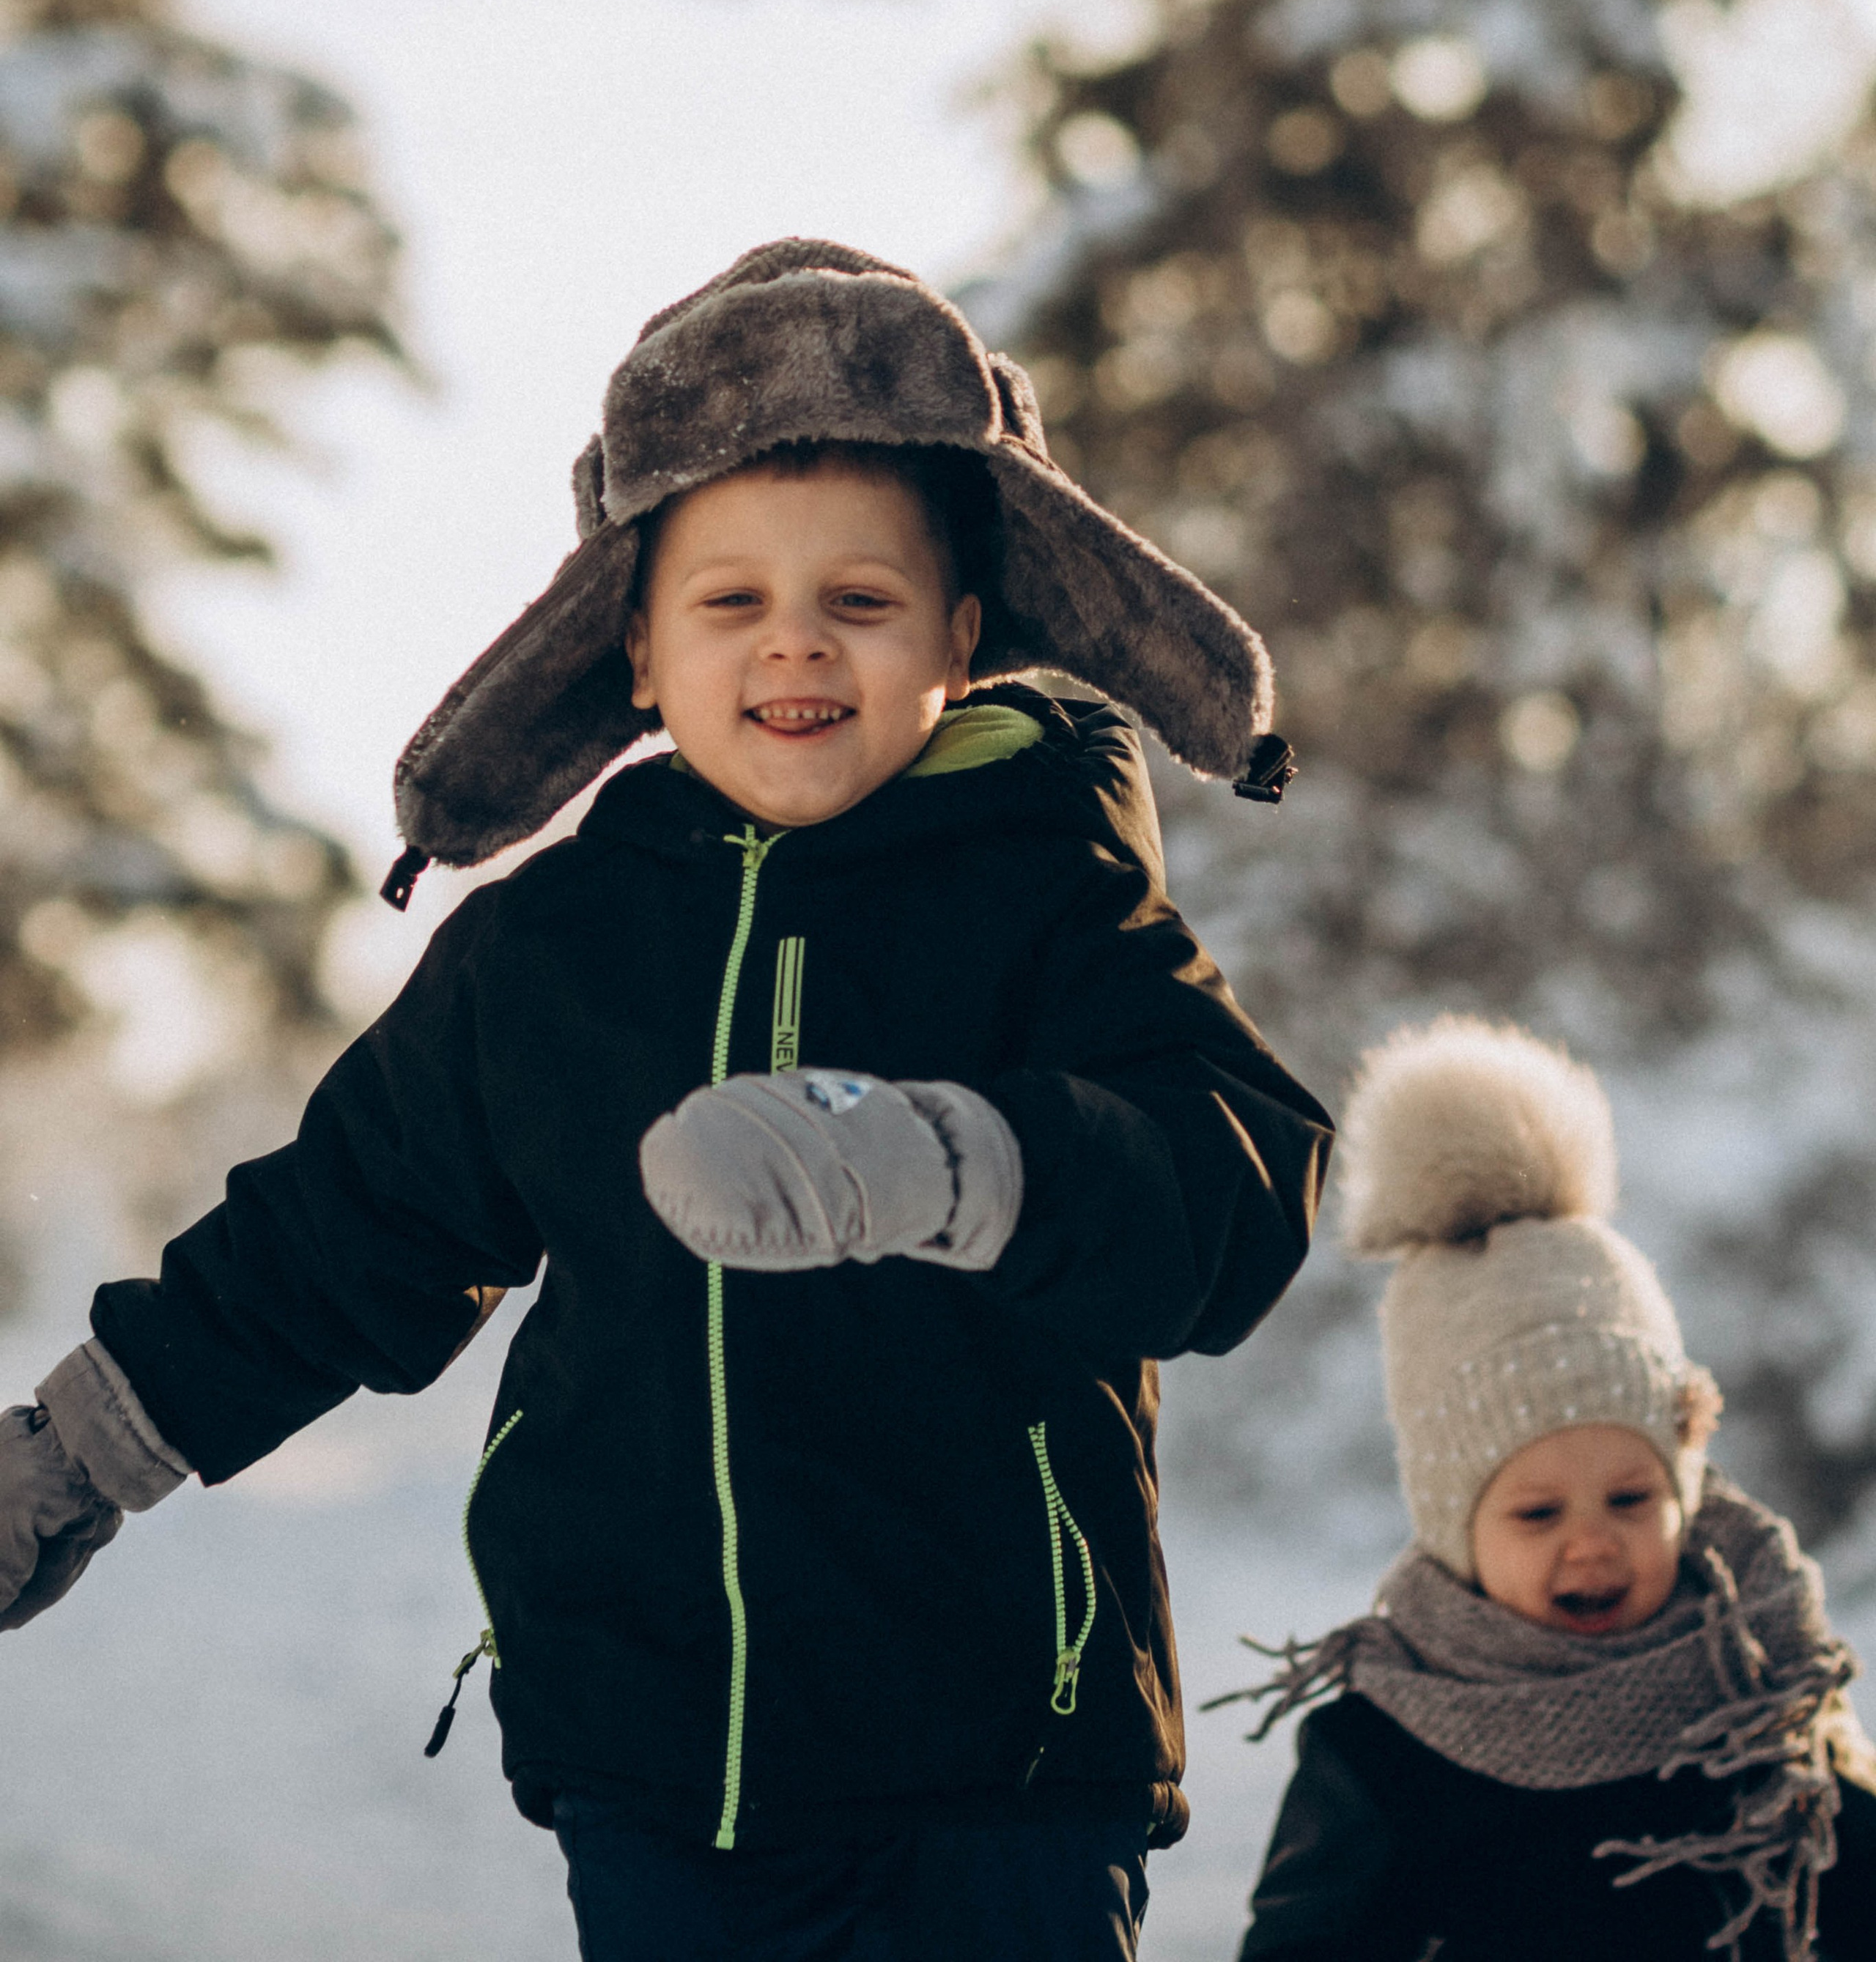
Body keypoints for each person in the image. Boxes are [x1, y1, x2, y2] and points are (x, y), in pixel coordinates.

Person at [0, 237, 1332, 1962]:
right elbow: (347, 1230)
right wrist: (79, 1453)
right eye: (731, 602)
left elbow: (1233, 1189)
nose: (797, 646)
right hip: (656, 1763)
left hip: (993, 1760)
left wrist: (959, 1164)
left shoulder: (1048, 896)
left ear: (962, 634)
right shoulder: (548, 954)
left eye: (860, 601)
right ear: (633, 648)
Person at [1225, 1017, 1876, 1962]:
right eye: (1537, 1512)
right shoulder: (1390, 1753)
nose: (1592, 1543)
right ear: (1455, 1526)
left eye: (1631, 1499)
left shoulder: (1760, 1691)